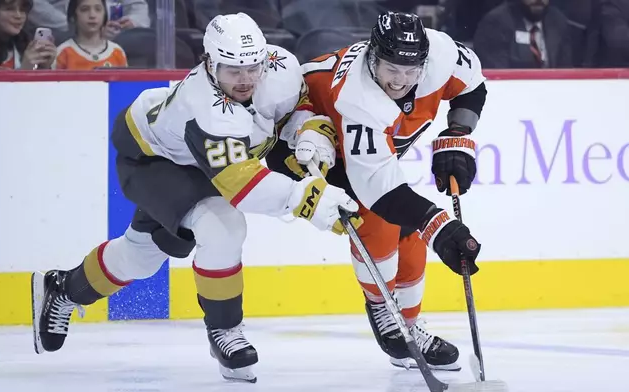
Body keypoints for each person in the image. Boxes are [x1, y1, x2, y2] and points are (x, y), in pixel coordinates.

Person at [31, 12, 358, 384]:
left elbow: (297, 107)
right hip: (155, 159)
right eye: (233, 70)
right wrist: (308, 200)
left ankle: (62, 289)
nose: (246, 79)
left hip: (200, 159)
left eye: (253, 67)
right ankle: (225, 331)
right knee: (223, 226)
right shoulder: (203, 107)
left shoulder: (280, 66)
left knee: (141, 258)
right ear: (209, 62)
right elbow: (242, 184)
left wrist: (311, 133)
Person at [265, 11, 487, 371]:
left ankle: (411, 325)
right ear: (372, 56)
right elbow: (377, 190)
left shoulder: (441, 54)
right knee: (381, 219)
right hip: (302, 139)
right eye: (390, 68)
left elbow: (473, 86)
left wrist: (457, 135)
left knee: (411, 230)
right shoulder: (358, 97)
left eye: (410, 70)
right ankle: (383, 307)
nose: (400, 81)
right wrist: (441, 226)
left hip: (362, 151)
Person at [56, 0, 128, 69]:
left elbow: (125, 81)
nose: (92, 15)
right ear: (73, 17)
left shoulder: (117, 51)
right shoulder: (63, 52)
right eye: (85, 10)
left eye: (98, 9)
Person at [0, 0, 57, 69]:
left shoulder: (26, 43)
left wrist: (43, 67)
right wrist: (24, 70)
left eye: (22, 10)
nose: (18, 16)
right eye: (10, 9)